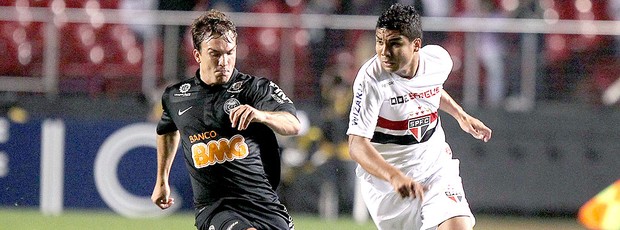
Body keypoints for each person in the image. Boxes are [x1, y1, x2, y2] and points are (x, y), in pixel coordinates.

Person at [346, 3, 492, 230]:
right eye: (379, 41)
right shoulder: (370, 80)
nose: (384, 52)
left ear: (416, 45)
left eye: (394, 43)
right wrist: (394, 177)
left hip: (434, 167)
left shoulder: (439, 61)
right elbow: (356, 145)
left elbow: (430, 90)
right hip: (389, 184)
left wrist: (460, 115)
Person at [151, 9, 300, 230]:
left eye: (230, 53)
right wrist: (161, 181)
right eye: (215, 54)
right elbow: (166, 131)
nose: (224, 61)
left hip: (263, 204)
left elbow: (293, 124)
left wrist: (261, 115)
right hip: (215, 208)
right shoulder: (176, 97)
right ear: (198, 55)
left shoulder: (255, 89)